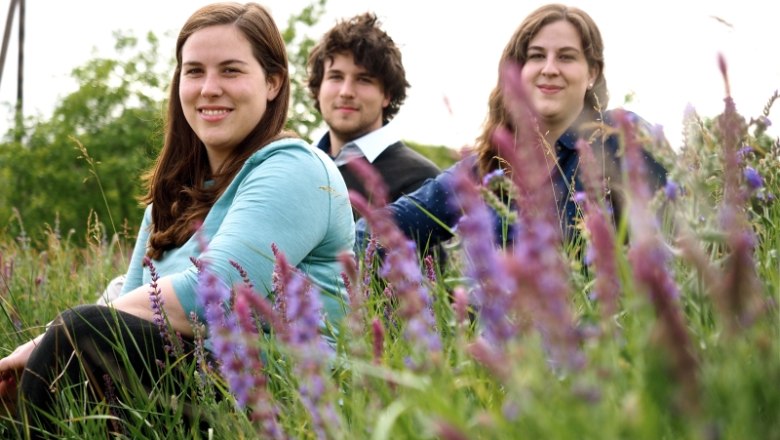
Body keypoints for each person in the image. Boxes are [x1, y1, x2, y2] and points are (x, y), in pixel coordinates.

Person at [0, 2, 354, 437]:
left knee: (81, 332)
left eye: (230, 70)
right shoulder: (170, 199)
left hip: (280, 404)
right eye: (194, 71)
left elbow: (214, 294)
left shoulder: (297, 169)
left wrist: (46, 339)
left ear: (273, 82)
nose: (209, 88)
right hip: (188, 388)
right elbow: (130, 306)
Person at [356, 3, 669, 250]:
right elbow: (384, 228)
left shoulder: (621, 135)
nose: (549, 69)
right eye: (536, 56)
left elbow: (679, 237)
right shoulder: (487, 167)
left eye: (566, 57)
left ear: (592, 73)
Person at [306, 12, 441, 214]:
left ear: (387, 94)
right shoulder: (296, 167)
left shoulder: (422, 181)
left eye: (363, 79)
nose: (346, 92)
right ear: (318, 88)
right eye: (336, 77)